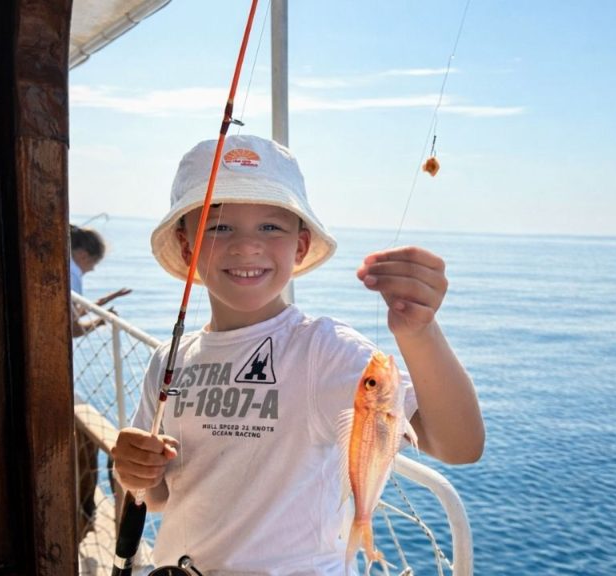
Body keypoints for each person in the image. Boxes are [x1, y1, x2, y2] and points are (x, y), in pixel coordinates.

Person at [111, 135, 484, 574]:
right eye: (219, 226)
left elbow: (458, 444)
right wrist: (133, 471)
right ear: (187, 244)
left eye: (270, 227)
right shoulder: (168, 360)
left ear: (300, 246)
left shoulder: (325, 350)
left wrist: (420, 333)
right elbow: (157, 499)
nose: (246, 245)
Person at [69, 223, 132, 541]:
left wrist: (106, 302)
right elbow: (74, 327)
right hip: (63, 376)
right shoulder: (72, 272)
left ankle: (85, 519)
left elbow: (74, 311)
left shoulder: (64, 267)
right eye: (92, 266)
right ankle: (84, 521)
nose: (89, 271)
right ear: (83, 254)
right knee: (90, 445)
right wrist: (103, 319)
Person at [69, 224, 132, 337]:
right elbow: (71, 329)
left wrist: (107, 299)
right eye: (94, 262)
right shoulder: (73, 277)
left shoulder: (66, 270)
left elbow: (74, 313)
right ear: (83, 255)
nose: (93, 269)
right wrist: (101, 321)